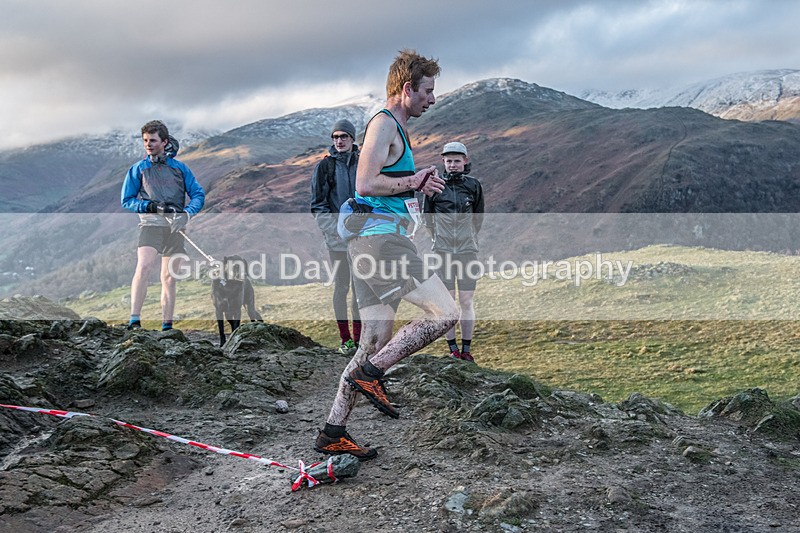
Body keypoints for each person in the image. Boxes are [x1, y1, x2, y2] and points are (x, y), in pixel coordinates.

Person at [314, 50, 459, 460]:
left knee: (372, 341)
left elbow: (387, 180)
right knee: (445, 314)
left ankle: (333, 429)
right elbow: (365, 182)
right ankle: (372, 375)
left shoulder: (393, 126)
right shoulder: (383, 122)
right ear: (407, 88)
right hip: (381, 242)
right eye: (428, 91)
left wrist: (417, 184)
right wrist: (414, 180)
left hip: (371, 241)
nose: (432, 99)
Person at [121, 120, 205, 331]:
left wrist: (187, 214)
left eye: (153, 140)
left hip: (175, 226)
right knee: (144, 266)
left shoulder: (180, 168)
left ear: (164, 142)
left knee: (169, 277)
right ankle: (134, 320)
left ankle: (167, 325)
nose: (148, 144)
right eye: (145, 141)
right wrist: (148, 206)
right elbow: (127, 199)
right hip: (150, 224)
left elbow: (197, 194)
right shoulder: (138, 169)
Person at [423, 141, 484, 362]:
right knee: (448, 303)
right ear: (443, 162)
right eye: (448, 161)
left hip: (467, 251)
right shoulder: (434, 186)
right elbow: (427, 219)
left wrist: (467, 238)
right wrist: (440, 239)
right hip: (443, 252)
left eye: (457, 161)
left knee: (466, 301)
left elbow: (478, 218)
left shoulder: (474, 185)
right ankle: (452, 350)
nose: (452, 165)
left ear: (465, 161)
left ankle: (466, 350)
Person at [310, 119, 362, 356]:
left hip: (363, 238)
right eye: (335, 137)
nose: (339, 141)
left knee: (361, 288)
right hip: (337, 240)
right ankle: (345, 340)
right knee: (342, 287)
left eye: (343, 136)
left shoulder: (364, 163)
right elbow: (318, 204)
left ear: (352, 139)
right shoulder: (325, 167)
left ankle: (361, 341)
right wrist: (334, 231)